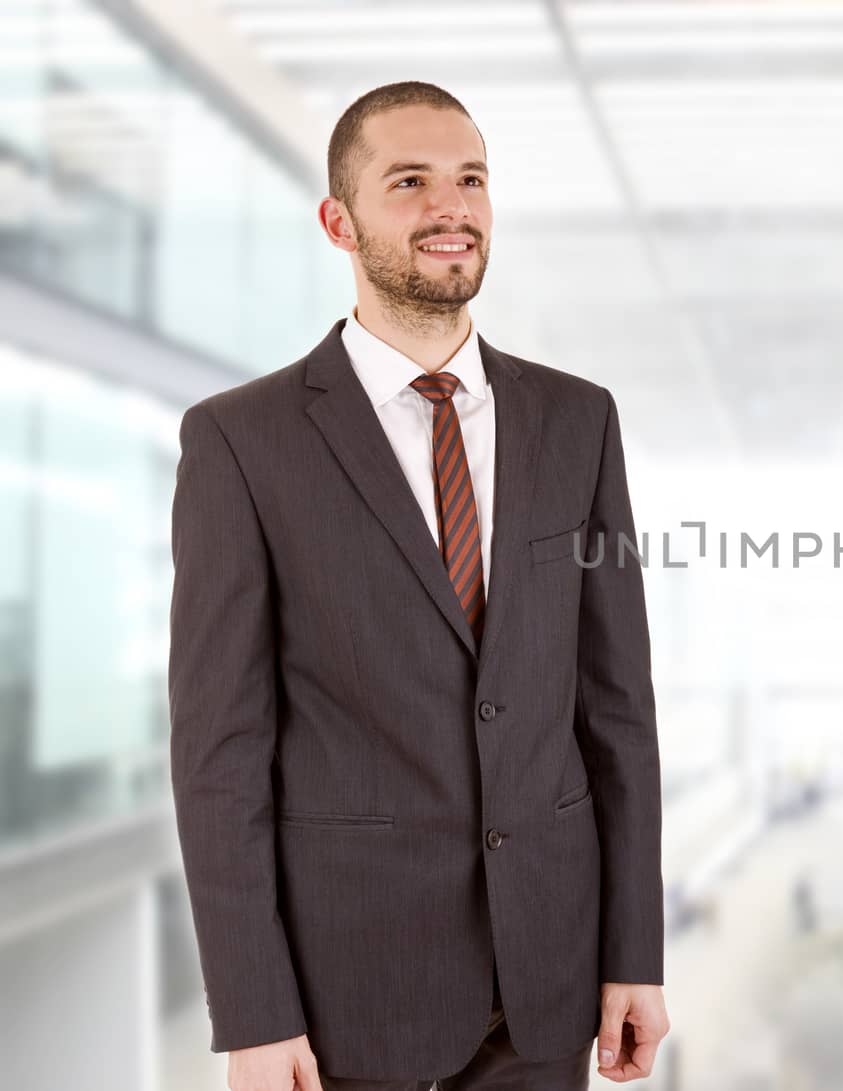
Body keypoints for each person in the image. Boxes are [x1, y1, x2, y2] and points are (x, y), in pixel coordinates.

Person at [167, 80, 669, 1091]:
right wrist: (254, 1014)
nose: (453, 207)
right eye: (411, 182)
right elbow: (220, 750)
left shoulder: (579, 421)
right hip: (350, 987)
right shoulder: (240, 441)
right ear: (338, 221)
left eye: (471, 179)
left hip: (548, 976)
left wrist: (634, 952)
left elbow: (617, 708)